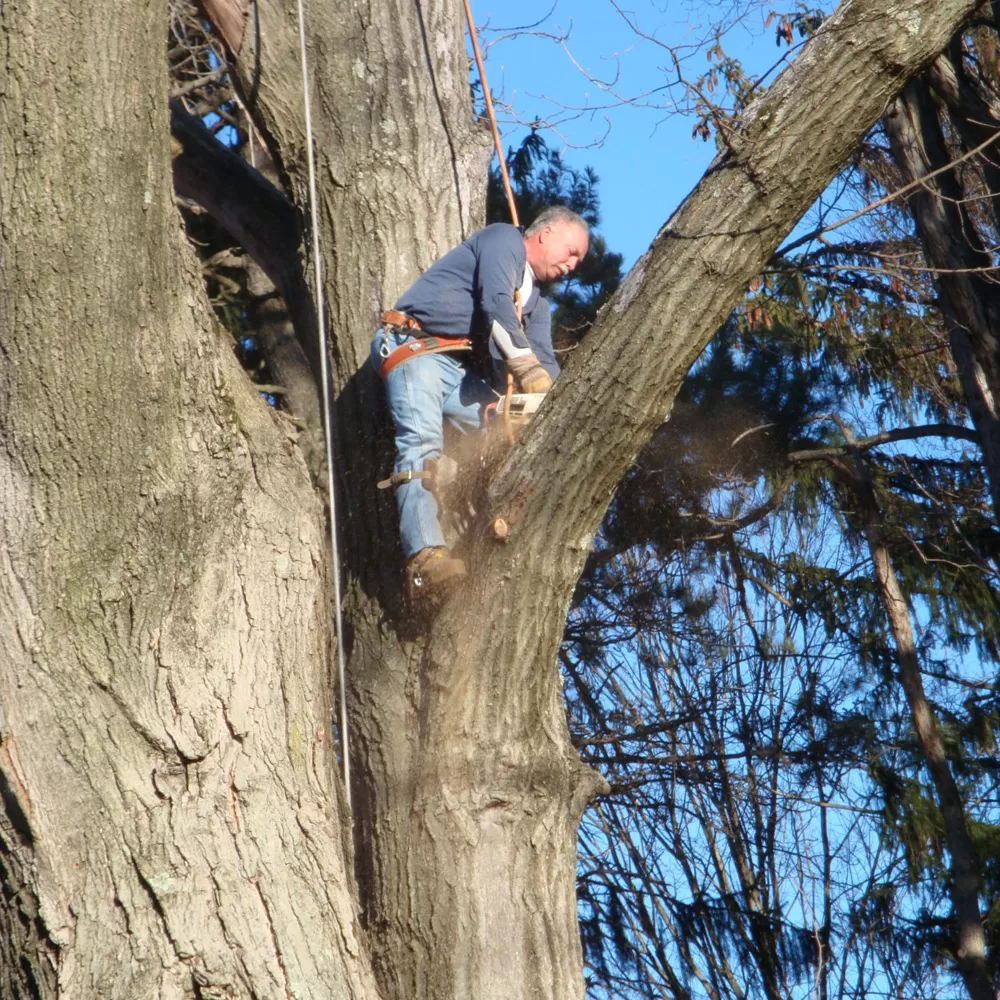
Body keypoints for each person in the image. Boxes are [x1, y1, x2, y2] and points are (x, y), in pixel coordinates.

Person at [370, 205, 590, 598]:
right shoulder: (504, 240)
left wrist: (560, 406)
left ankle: (496, 524)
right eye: (571, 251)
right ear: (548, 232)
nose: (572, 265)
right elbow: (496, 307)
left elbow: (545, 364)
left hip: (452, 371)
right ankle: (422, 555)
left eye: (578, 261)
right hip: (414, 347)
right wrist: (530, 375)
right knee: (421, 442)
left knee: (506, 424)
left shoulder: (538, 305)